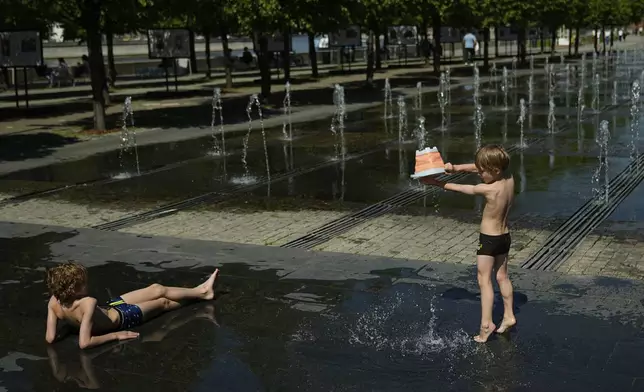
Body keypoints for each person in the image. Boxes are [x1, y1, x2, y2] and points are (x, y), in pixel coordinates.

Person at [421, 145, 516, 343]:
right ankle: (508, 315)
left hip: (489, 240)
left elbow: (463, 188)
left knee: (484, 280)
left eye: (483, 171)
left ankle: (486, 325)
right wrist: (454, 168)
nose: (479, 173)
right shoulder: (509, 178)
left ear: (495, 170)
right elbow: (476, 167)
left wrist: (436, 183)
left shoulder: (488, 189)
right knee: (502, 277)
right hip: (505, 237)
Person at [45, 261, 219, 349]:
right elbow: (84, 343)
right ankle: (202, 294)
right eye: (83, 282)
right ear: (74, 289)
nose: (87, 283)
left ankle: (200, 291)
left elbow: (50, 338)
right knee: (163, 302)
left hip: (111, 306)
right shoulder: (88, 303)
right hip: (124, 317)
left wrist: (69, 326)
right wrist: (116, 336)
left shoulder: (54, 301)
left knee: (156, 289)